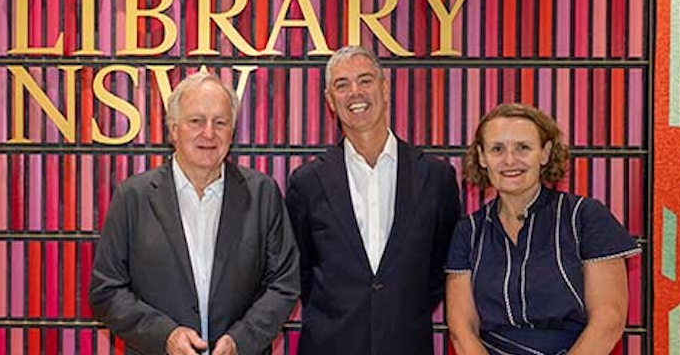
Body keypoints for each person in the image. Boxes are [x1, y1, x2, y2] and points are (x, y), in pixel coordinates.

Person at [89, 71, 300, 355]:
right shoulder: (133, 197)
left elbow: (283, 283)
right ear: (174, 128)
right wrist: (165, 336)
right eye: (196, 121)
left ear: (232, 132)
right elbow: (106, 291)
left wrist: (241, 340)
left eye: (221, 122)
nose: (209, 133)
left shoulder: (263, 194)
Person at [285, 45, 463, 355]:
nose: (355, 92)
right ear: (330, 100)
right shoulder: (306, 183)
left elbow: (440, 270)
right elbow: (301, 272)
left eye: (365, 80)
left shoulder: (436, 178)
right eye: (342, 85)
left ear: (385, 87)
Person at [445, 103, 640, 355]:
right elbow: (462, 329)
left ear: (545, 153)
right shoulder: (468, 231)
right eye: (497, 149)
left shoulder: (586, 217)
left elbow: (608, 321)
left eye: (523, 148)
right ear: (482, 157)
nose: (509, 160)